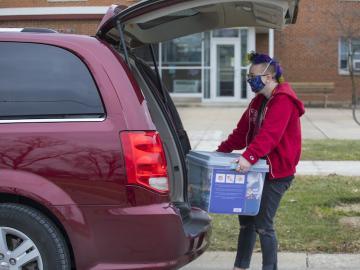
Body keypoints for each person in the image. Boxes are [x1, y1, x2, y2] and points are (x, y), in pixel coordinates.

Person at [216, 52, 305, 270]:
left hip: (277, 173)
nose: (249, 79)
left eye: (253, 75)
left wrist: (249, 157)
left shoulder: (283, 100)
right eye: (248, 75)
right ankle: (240, 266)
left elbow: (270, 136)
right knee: (246, 222)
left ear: (269, 76)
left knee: (263, 224)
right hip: (257, 169)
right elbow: (241, 132)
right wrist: (220, 152)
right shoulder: (259, 101)